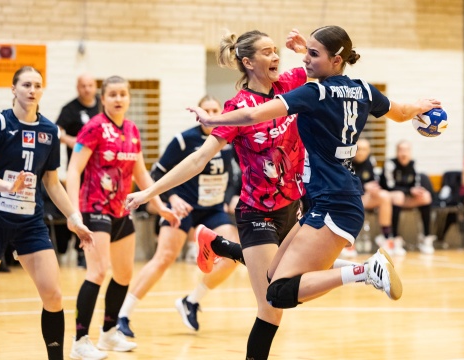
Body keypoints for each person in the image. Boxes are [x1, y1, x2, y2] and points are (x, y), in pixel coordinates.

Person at [172, 25, 440, 353]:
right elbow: (400, 113)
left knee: (280, 292)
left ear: (336, 59)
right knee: (273, 276)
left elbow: (255, 112)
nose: (304, 60)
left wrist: (211, 119)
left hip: (333, 203)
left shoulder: (315, 95)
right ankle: (221, 246)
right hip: (326, 200)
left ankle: (364, 270)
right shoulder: (365, 90)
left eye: (312, 54)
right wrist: (420, 106)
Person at [124, 29, 309, 360]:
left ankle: (220, 246)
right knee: (272, 305)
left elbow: (329, 69)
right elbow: (197, 160)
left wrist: (304, 48)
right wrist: (148, 192)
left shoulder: (288, 86)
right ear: (248, 62)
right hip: (258, 212)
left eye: (276, 50)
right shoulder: (237, 108)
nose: (276, 57)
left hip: (293, 204)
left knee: (298, 279)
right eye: (268, 52)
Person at [0, 66, 93, 360]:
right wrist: (8, 186)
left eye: (38, 85)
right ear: (14, 89)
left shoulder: (49, 132)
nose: (32, 90)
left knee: (54, 295)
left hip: (30, 224)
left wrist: (75, 218)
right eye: (26, 84)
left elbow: (52, 183)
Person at [66, 75, 180, 359]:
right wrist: (73, 213)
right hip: (94, 209)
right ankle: (80, 340)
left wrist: (159, 205)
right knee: (97, 271)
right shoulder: (93, 128)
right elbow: (72, 170)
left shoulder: (131, 129)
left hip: (121, 210)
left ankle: (108, 334)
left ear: (128, 98)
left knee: (124, 274)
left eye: (123, 94)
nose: (118, 99)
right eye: (112, 94)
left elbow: (142, 174)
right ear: (103, 99)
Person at [116, 95, 241, 336]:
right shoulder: (184, 141)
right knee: (164, 257)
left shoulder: (230, 139)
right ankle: (123, 314)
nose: (212, 114)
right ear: (199, 113)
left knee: (232, 254)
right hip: (183, 209)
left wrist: (230, 198)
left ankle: (191, 301)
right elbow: (156, 173)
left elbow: (240, 174)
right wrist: (171, 198)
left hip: (213, 210)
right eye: (208, 110)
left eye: (216, 109)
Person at [54, 74, 101, 267]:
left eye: (90, 85)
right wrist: (70, 140)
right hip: (79, 168)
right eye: (83, 86)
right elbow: (56, 130)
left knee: (96, 206)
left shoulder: (101, 105)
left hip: (99, 168)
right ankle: (80, 250)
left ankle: (97, 248)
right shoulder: (70, 108)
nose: (87, 89)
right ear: (77, 87)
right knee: (78, 206)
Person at [351, 138, 405, 257]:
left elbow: (374, 180)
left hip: (364, 197)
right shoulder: (346, 161)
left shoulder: (370, 161)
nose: (361, 152)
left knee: (384, 196)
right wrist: (364, 186)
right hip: (349, 197)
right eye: (358, 149)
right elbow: (344, 183)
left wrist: (374, 188)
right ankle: (348, 244)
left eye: (365, 149)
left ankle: (385, 238)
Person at [381, 140, 436, 254]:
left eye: (406, 150)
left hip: (406, 197)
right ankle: (395, 238)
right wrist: (410, 190)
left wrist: (417, 191)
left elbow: (417, 184)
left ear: (410, 152)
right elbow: (390, 186)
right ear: (397, 152)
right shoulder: (390, 164)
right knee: (398, 196)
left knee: (425, 196)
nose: (403, 153)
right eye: (400, 150)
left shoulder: (414, 164)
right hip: (391, 197)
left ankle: (426, 237)